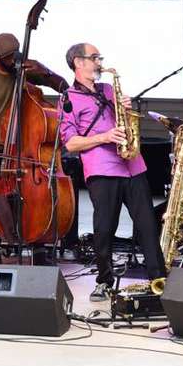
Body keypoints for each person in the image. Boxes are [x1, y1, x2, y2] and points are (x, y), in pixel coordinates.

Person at [59, 42, 164, 302]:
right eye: (94, 57)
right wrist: (104, 136)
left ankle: (159, 279)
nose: (99, 62)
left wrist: (126, 110)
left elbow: (122, 120)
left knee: (148, 225)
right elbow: (70, 143)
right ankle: (104, 280)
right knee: (105, 228)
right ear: (78, 62)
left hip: (132, 164)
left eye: (99, 57)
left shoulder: (107, 89)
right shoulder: (68, 99)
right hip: (102, 169)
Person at [0, 33, 68, 265]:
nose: (14, 61)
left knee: (33, 196)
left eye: (15, 55)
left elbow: (63, 87)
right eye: (8, 58)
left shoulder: (26, 68)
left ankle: (38, 248)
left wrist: (44, 71)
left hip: (25, 147)